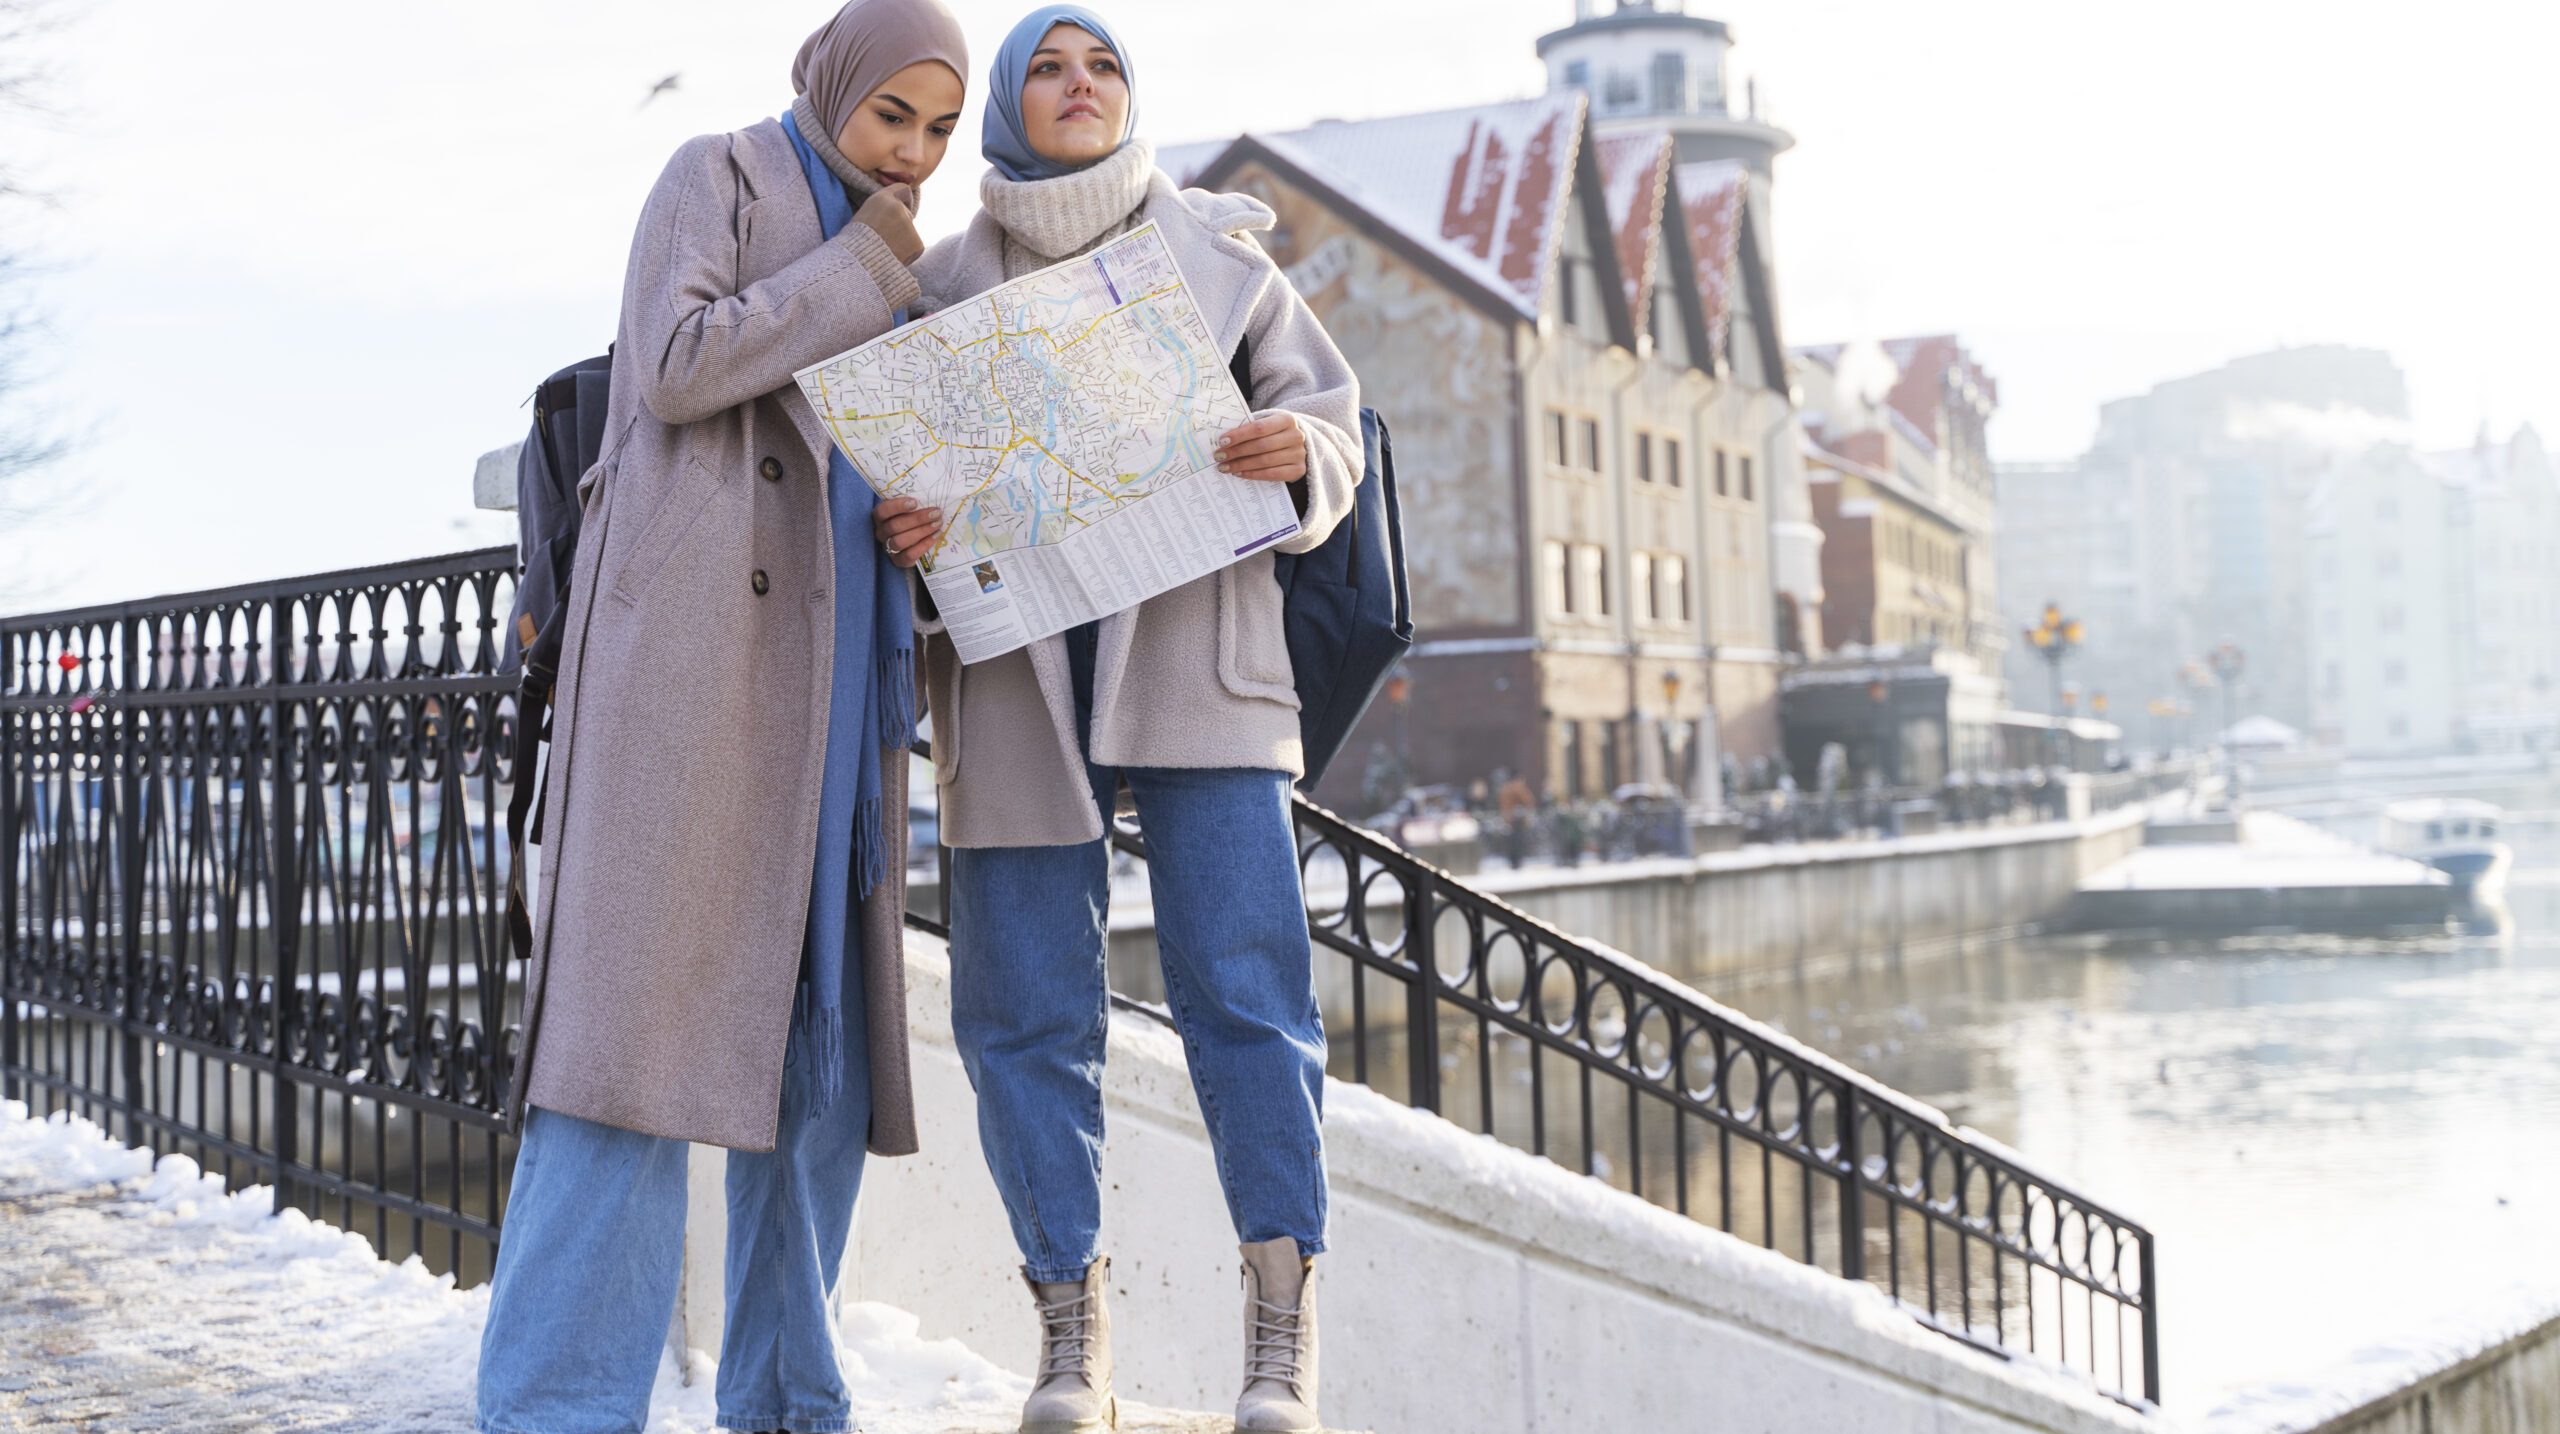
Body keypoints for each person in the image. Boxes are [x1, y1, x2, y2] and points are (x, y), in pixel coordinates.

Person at [475, 5, 966, 1432]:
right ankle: (558, 1410)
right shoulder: (720, 176)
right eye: (893, 116)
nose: (914, 152)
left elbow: (883, 460)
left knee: (819, 1067)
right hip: (691, 685)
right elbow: (677, 364)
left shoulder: (906, 260)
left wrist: (924, 528)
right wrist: (863, 265)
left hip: (837, 693)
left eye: (940, 129)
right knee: (621, 1061)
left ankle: (787, 1394)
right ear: (831, 84)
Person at [871, 8, 1362, 1430]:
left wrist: (1298, 452)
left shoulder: (1223, 258)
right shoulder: (931, 292)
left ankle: (1281, 1324)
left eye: (1104, 66)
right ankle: (1068, 1329)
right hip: (1012, 690)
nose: (1079, 85)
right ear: (1010, 109)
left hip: (1203, 666)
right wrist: (903, 537)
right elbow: (886, 503)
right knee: (1022, 1015)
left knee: (1249, 996)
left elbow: (1333, 428)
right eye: (1048, 67)